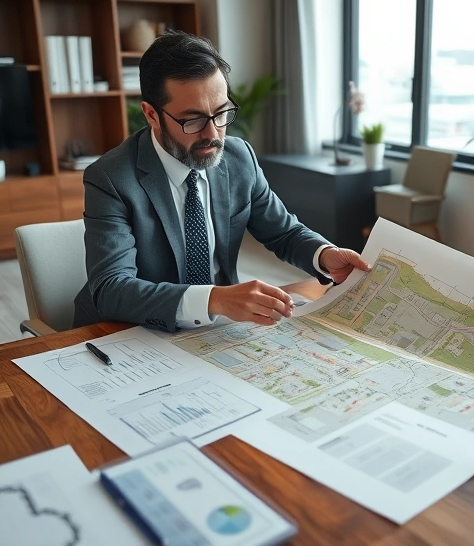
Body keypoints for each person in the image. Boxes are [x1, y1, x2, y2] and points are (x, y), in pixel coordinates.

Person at [72, 32, 369, 332]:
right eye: (193, 120)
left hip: (216, 331)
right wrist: (214, 299)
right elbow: (111, 288)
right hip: (131, 334)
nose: (213, 134)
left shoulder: (239, 158)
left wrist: (324, 255)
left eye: (221, 113)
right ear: (151, 115)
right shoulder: (110, 178)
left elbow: (283, 232)